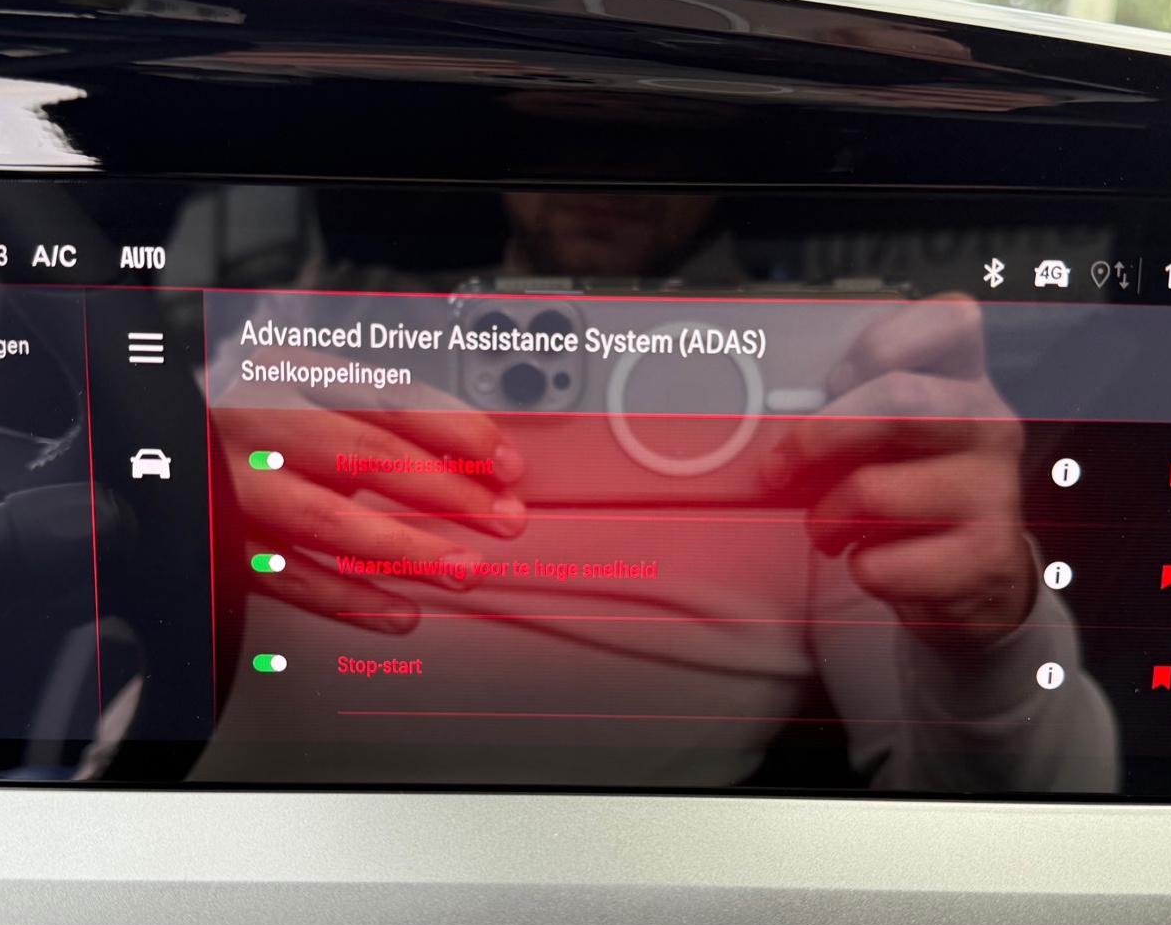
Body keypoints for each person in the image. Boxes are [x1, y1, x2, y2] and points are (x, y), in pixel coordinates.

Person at [192, 193, 1118, 792]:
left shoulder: (844, 363)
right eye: (555, 111)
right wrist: (173, 501)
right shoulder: (323, 314)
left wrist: (991, 628)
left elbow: (1030, 816)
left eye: (658, 130)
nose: (604, 166)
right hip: (203, 842)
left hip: (599, 917)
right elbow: (120, 559)